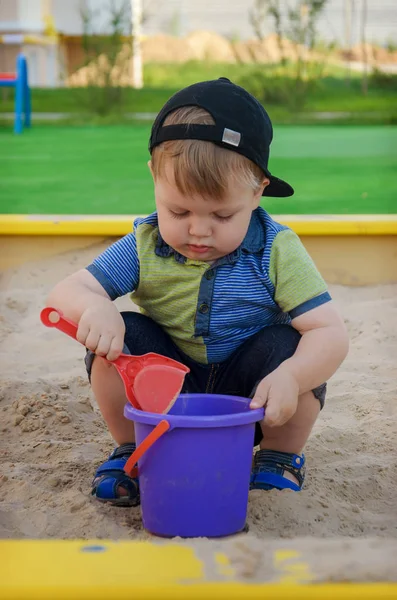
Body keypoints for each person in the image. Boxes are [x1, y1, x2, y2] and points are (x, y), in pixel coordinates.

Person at [47, 77, 349, 506]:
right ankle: (133, 446)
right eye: (178, 210)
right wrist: (94, 307)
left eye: (222, 215)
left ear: (258, 191)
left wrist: (293, 376)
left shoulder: (274, 249)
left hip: (257, 399)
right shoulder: (146, 243)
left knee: (289, 343)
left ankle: (279, 457)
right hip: (163, 393)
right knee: (124, 335)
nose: (198, 230)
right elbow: (68, 290)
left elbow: (330, 333)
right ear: (154, 176)